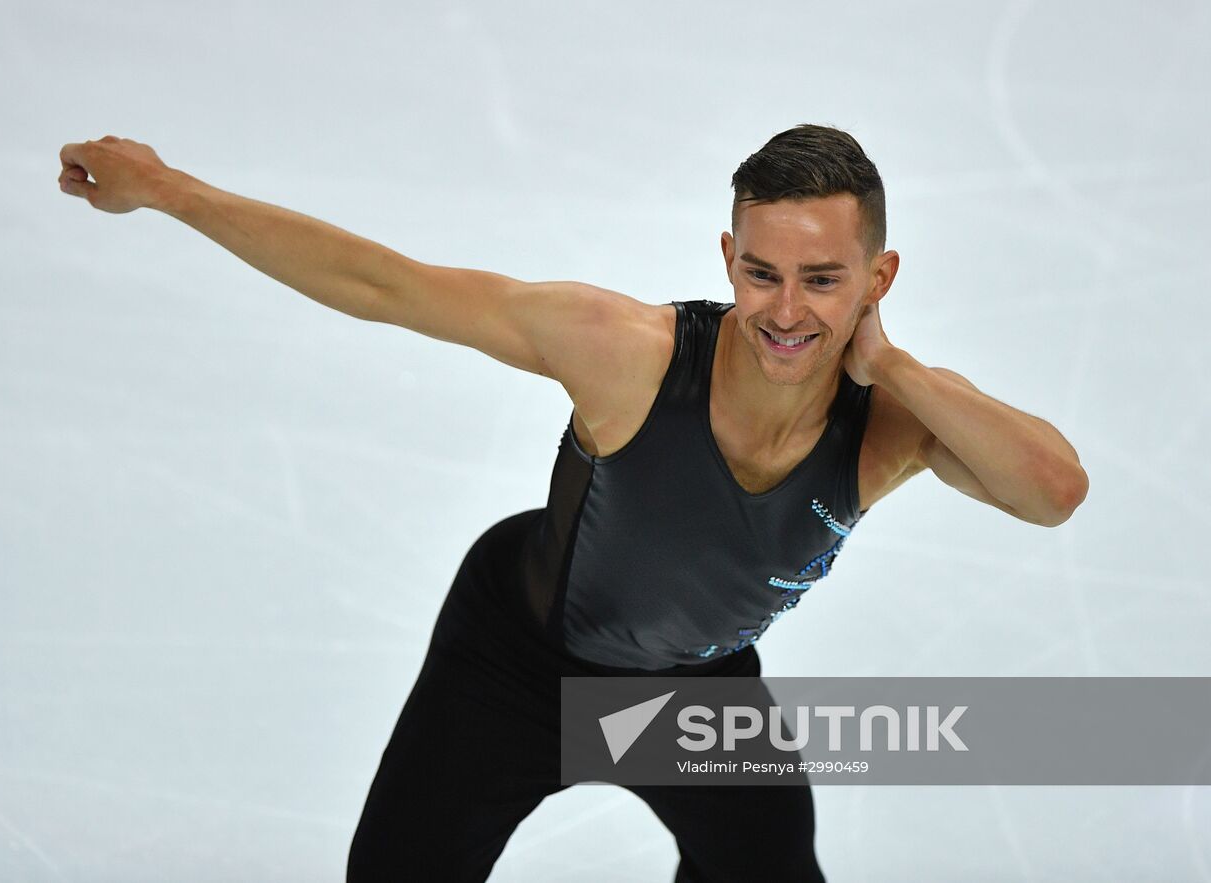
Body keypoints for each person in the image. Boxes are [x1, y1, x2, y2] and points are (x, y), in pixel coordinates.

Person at [58, 123, 1089, 882]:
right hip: (513, 666)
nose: (784, 310)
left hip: (689, 694)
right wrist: (169, 191)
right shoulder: (628, 354)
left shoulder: (890, 426)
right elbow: (385, 286)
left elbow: (1051, 491)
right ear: (726, 260)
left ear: (877, 277)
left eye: (822, 280)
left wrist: (894, 367)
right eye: (761, 274)